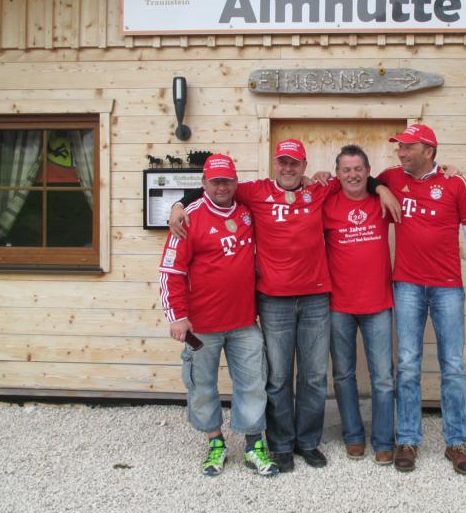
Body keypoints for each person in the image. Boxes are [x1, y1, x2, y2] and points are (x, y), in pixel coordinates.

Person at [169, 139, 400, 473]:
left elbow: (356, 179)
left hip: (316, 298)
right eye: (283, 162)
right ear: (274, 164)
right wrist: (179, 204)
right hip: (274, 300)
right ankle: (280, 445)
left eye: (295, 163)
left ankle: (307, 441)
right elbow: (217, 190)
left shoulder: (320, 189)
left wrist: (381, 188)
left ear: (304, 166)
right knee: (277, 378)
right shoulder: (255, 192)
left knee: (314, 376)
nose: (288, 168)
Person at [158, 154, 278, 477]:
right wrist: (177, 316)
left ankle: (254, 445)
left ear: (236, 182)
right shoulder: (189, 219)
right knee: (202, 385)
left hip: (244, 322)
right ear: (203, 183)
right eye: (215, 181)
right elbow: (170, 271)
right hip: (201, 327)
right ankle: (215, 442)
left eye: (227, 181)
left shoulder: (247, 211)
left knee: (253, 383)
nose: (222, 187)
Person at [377, 123, 466, 476]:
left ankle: (456, 443)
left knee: (452, 366)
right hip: (407, 285)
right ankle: (408, 440)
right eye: (400, 147)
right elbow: (366, 181)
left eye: (408, 147)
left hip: (447, 288)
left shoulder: (456, 183)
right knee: (408, 364)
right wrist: (381, 189)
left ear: (429, 151)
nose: (401, 153)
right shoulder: (393, 177)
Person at [322, 145, 395, 466]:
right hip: (339, 305)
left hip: (378, 303)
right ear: (338, 174)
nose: (353, 175)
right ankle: (353, 436)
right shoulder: (327, 204)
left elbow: (406, 181)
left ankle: (383, 440)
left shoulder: (383, 200)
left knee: (383, 377)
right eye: (346, 170)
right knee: (343, 375)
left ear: (367, 171)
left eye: (358, 169)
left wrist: (381, 188)